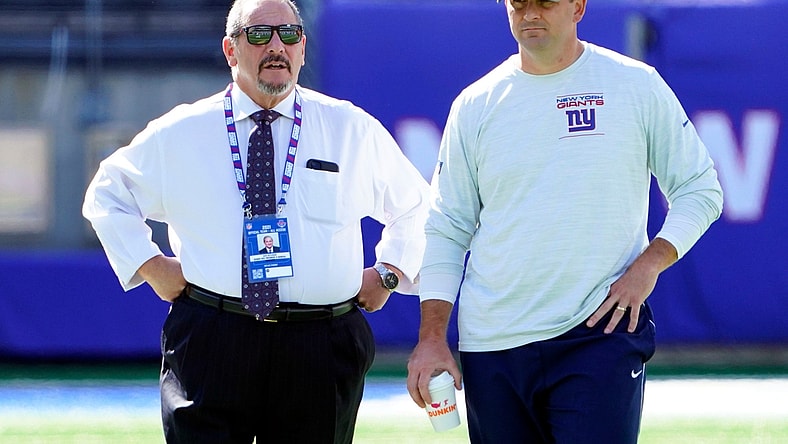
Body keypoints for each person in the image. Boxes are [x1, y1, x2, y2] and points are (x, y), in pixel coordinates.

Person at [82, 0, 429, 442]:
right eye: (260, 35)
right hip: (213, 337)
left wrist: (390, 273)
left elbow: (418, 207)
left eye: (289, 35)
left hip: (319, 344)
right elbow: (107, 193)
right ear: (231, 50)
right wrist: (150, 266)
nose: (276, 47)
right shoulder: (184, 131)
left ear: (303, 48)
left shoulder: (349, 129)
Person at [406, 0, 723, 443]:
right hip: (493, 343)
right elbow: (447, 226)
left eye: (546, 2)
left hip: (600, 331)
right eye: (519, 3)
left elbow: (700, 189)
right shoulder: (475, 104)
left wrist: (648, 266)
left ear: (577, 7)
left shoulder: (634, 84)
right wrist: (431, 338)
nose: (531, 14)